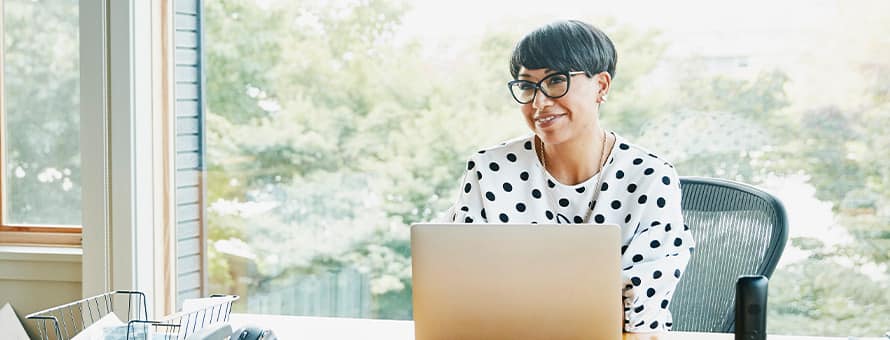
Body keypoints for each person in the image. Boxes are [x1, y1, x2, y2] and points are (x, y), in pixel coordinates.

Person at [447, 20, 695, 332]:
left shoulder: (650, 176)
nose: (539, 103)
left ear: (601, 86)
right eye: (527, 86)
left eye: (555, 81)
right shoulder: (488, 169)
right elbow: (460, 289)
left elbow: (641, 314)